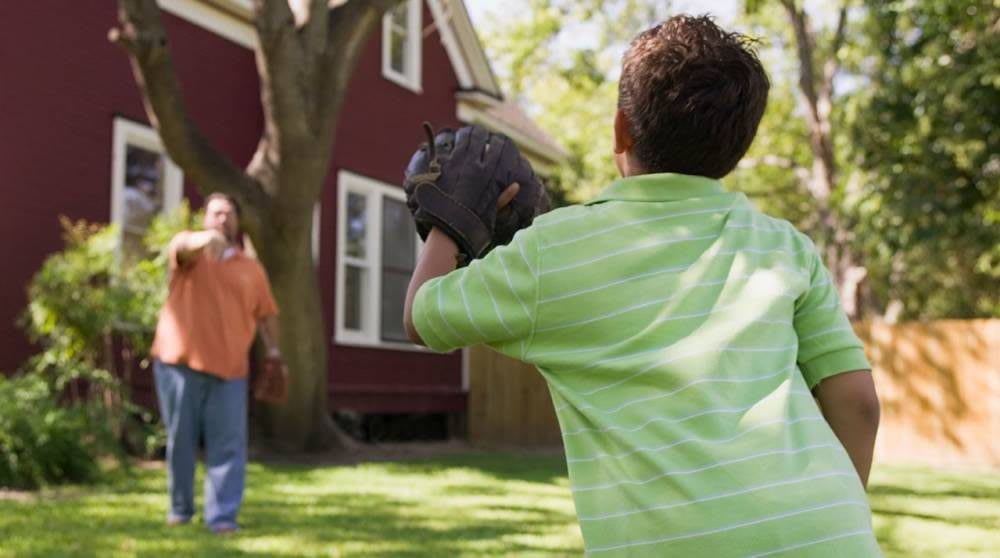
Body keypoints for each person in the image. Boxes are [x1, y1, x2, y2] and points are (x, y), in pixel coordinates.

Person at [403, 15, 881, 557]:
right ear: (738, 146)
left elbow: (422, 316)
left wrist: (453, 220)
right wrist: (833, 515)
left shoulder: (555, 249)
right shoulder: (785, 247)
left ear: (620, 129)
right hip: (831, 534)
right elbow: (858, 403)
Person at [150, 193, 282, 533]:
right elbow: (182, 248)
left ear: (238, 221)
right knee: (181, 441)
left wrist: (274, 353)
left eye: (229, 213)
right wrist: (205, 240)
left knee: (228, 446)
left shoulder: (251, 268)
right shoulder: (189, 252)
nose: (223, 218)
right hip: (179, 364)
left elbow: (267, 314)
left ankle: (222, 517)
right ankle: (180, 509)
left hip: (230, 370)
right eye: (216, 213)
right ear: (205, 218)